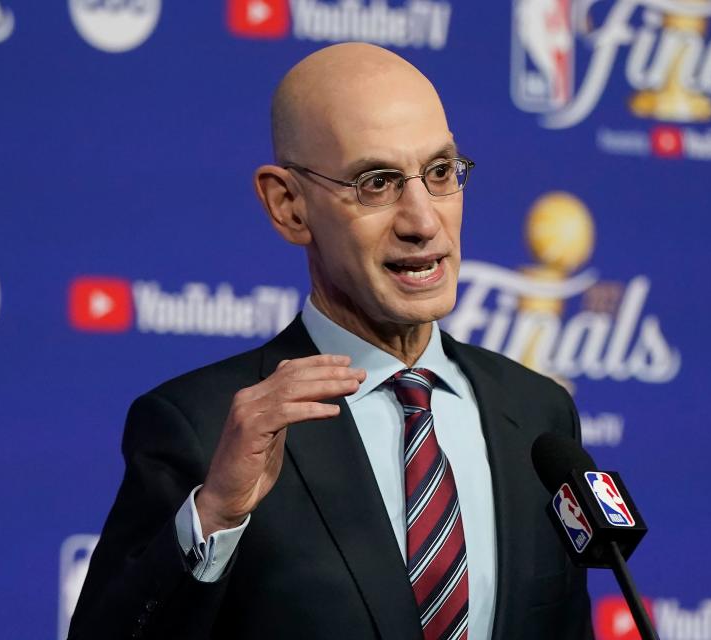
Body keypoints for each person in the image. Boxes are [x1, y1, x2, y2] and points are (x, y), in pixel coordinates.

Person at [68, 43, 592, 640]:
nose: (423, 221)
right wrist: (214, 514)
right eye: (376, 183)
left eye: (441, 172)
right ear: (288, 206)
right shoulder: (203, 429)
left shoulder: (538, 416)